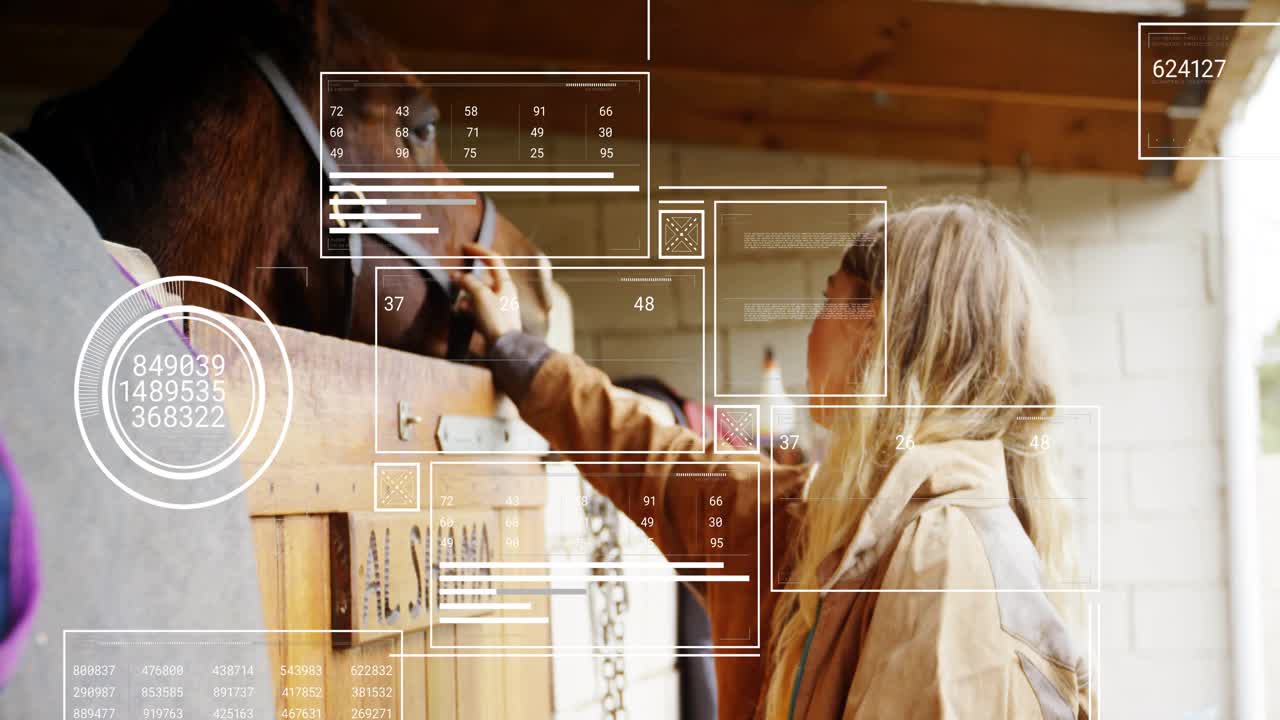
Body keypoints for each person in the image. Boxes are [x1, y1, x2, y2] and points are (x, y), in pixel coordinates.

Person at [451, 199, 1090, 719]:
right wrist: (515, 349)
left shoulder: (947, 564)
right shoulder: (830, 523)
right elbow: (661, 461)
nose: (811, 325)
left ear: (877, 328)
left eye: (827, 296)